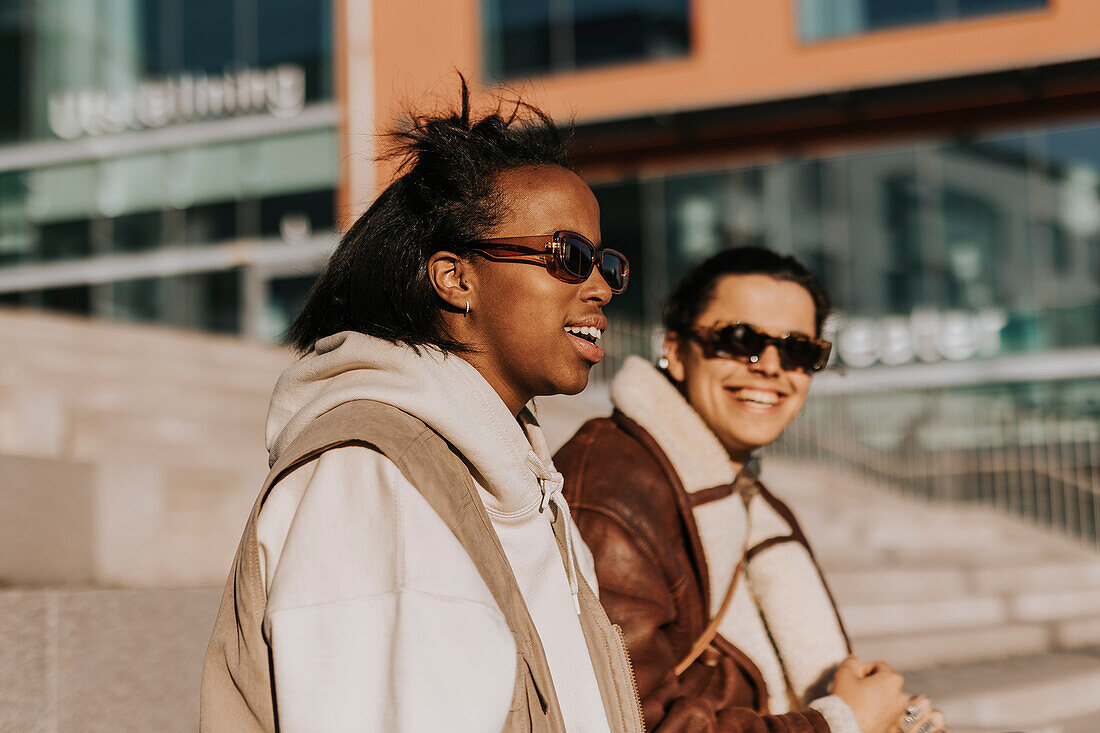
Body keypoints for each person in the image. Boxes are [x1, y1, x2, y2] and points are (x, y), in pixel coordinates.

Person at [200, 83, 643, 733]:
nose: (600, 285)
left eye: (605, 260)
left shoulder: (519, 477)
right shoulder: (371, 479)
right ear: (455, 277)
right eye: (567, 256)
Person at [555, 247, 948, 733]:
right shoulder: (612, 491)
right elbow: (632, 721)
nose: (770, 366)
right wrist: (840, 723)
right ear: (676, 352)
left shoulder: (750, 499)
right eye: (740, 339)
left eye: (798, 349)